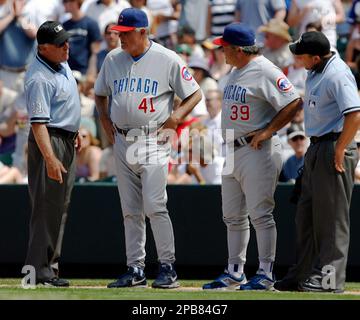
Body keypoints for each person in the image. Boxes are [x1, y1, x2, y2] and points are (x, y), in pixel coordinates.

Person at [94, 8, 202, 289]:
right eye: (118, 34)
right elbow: (99, 93)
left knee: (155, 205)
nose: (120, 39)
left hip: (153, 139)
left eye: (126, 34)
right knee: (130, 209)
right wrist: (105, 120)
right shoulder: (112, 59)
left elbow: (195, 93)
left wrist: (176, 117)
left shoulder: (166, 58)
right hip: (122, 139)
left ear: (143, 32)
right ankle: (135, 268)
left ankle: (167, 266)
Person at [202, 23, 302, 291]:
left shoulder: (265, 69)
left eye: (224, 47)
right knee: (232, 216)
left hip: (257, 149)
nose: (221, 52)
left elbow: (293, 101)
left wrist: (269, 130)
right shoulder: (236, 70)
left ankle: (266, 273)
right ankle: (235, 272)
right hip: (232, 149)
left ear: (238, 49)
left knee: (260, 215)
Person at [275, 31, 360, 293]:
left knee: (332, 220)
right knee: (306, 216)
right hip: (317, 145)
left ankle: (328, 280)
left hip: (334, 145)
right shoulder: (315, 70)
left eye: (301, 55)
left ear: (314, 57)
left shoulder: (337, 74)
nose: (297, 58)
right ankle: (302, 274)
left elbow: (355, 114)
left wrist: (340, 149)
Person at [24, 21, 82, 287]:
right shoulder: (39, 77)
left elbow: (65, 101)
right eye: (60, 44)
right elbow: (38, 124)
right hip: (50, 140)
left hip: (65, 138)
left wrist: (74, 128)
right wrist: (50, 158)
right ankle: (37, 273)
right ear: (44, 48)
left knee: (59, 209)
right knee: (46, 207)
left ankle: (50, 269)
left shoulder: (60, 61)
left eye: (66, 40)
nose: (66, 46)